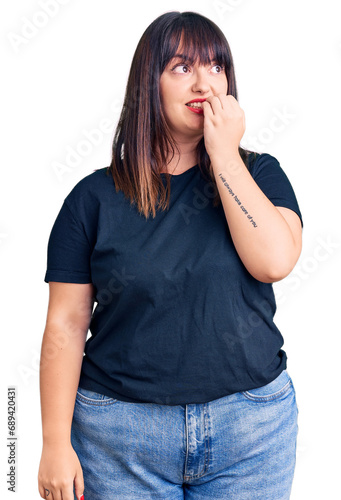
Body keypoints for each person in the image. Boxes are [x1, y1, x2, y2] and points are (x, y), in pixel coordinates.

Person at [38, 10, 303, 500]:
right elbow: (65, 325)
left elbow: (274, 261)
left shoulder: (260, 174)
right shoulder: (93, 198)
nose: (204, 82)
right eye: (182, 68)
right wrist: (54, 443)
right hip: (119, 436)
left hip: (251, 431)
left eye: (216, 66)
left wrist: (223, 155)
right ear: (149, 84)